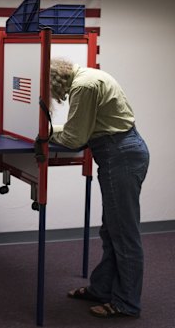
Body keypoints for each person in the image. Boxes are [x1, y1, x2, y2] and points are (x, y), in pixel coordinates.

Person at [49, 58, 150, 318]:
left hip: (119, 155)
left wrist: (45, 135)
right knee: (111, 230)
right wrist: (50, 130)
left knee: (124, 233)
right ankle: (103, 288)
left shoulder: (84, 87)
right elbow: (80, 129)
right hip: (121, 150)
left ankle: (127, 303)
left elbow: (74, 138)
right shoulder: (89, 76)